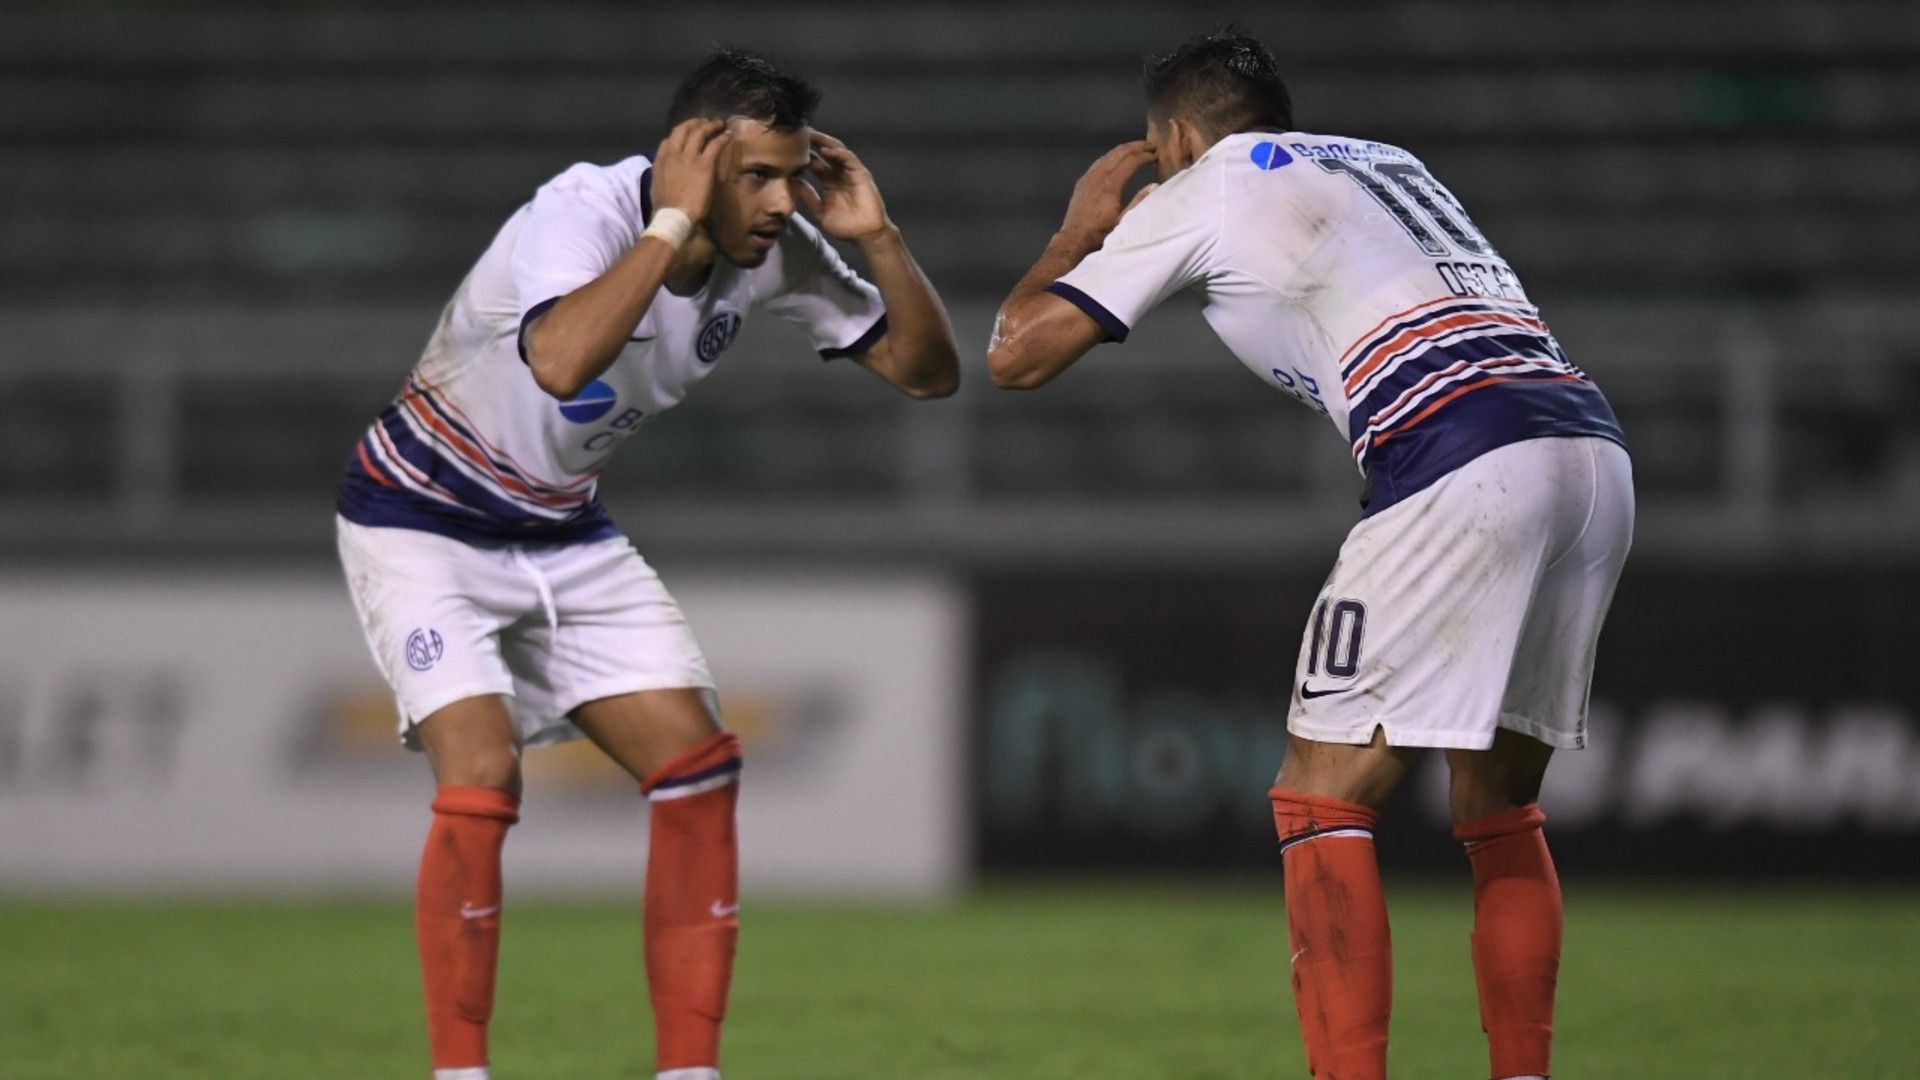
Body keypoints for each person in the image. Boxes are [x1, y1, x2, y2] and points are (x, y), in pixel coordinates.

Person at [986, 28, 1630, 1080]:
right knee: (1497, 803)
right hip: (1591, 453)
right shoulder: (1387, 159)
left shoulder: (1212, 183)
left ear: (1178, 137)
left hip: (1461, 452)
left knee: (1320, 795)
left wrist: (1077, 235)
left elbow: (1016, 357)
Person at [334, 48, 959, 1080]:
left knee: (698, 768)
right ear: (692, 161)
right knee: (485, 774)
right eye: (754, 175)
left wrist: (878, 240)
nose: (778, 202)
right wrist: (668, 226)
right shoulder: (579, 211)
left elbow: (927, 374)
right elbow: (562, 361)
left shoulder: (779, 251)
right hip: (420, 517)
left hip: (561, 528)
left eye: (791, 175)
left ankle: (688, 1075)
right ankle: (457, 1075)